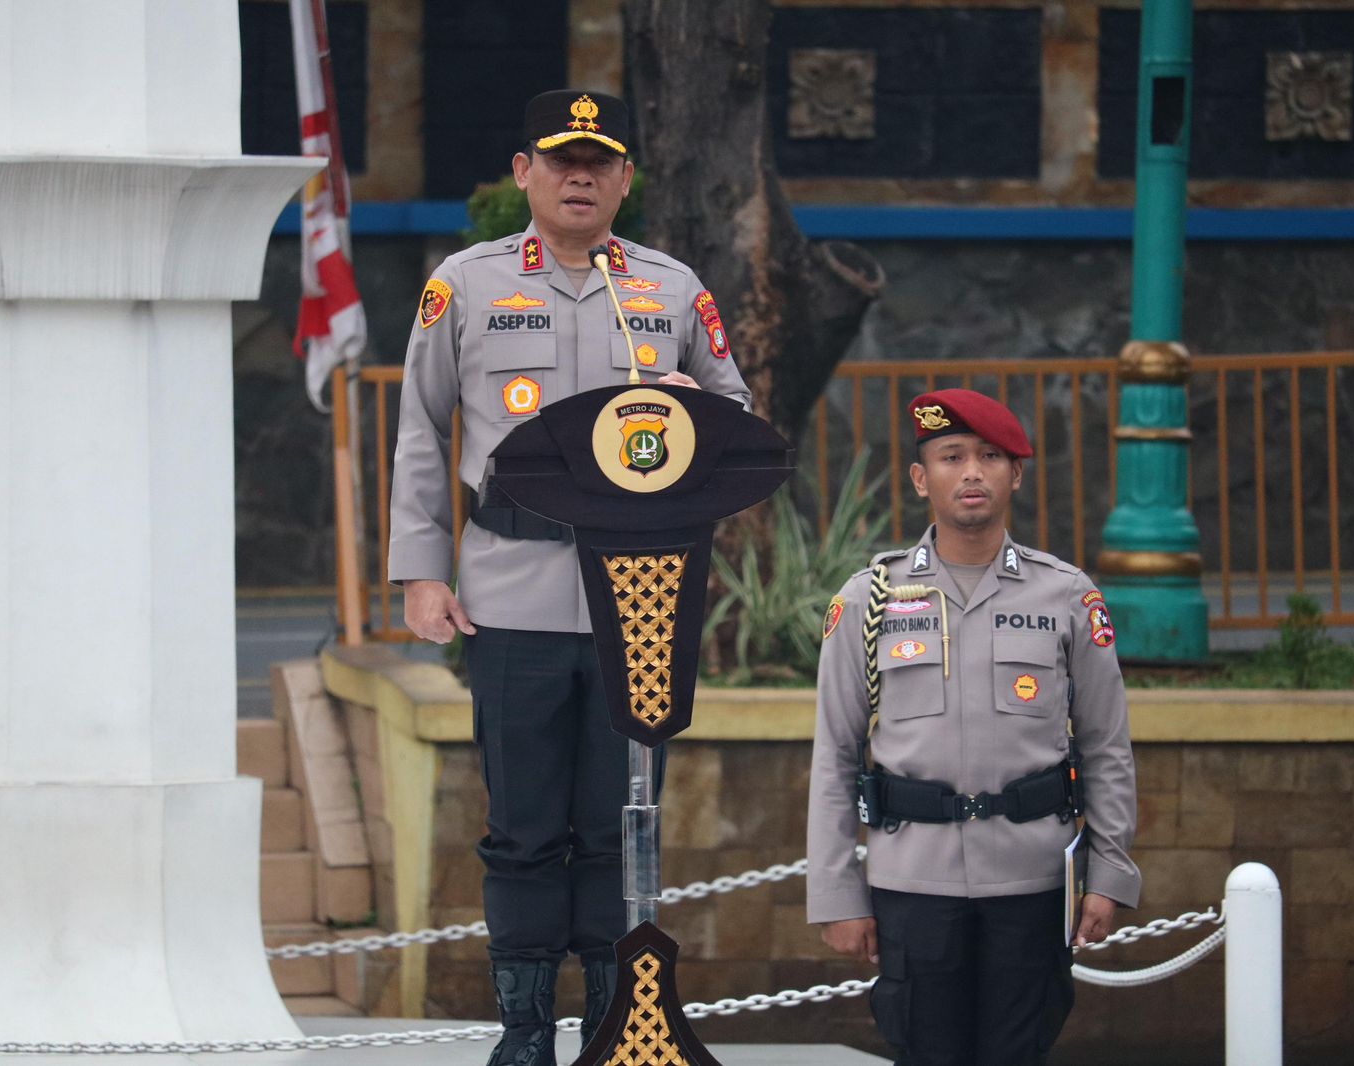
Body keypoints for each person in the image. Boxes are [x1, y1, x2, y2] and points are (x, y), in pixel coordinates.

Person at [388, 89, 750, 1065]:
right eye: (560, 160)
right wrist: (420, 572)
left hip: (640, 599)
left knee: (615, 826)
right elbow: (421, 431)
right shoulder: (463, 285)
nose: (579, 176)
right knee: (522, 829)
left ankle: (610, 1025)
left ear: (626, 177)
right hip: (511, 586)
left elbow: (738, 416)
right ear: (524, 175)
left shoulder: (672, 292)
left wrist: (695, 409)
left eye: (599, 161)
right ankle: (522, 1032)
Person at [807, 389, 1141, 1066]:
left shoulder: (1067, 596)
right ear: (919, 477)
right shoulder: (869, 599)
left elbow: (1107, 746)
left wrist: (1110, 873)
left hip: (1032, 882)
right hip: (912, 886)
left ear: (1016, 474)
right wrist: (837, 892)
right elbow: (835, 755)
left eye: (990, 456)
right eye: (951, 456)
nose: (971, 473)